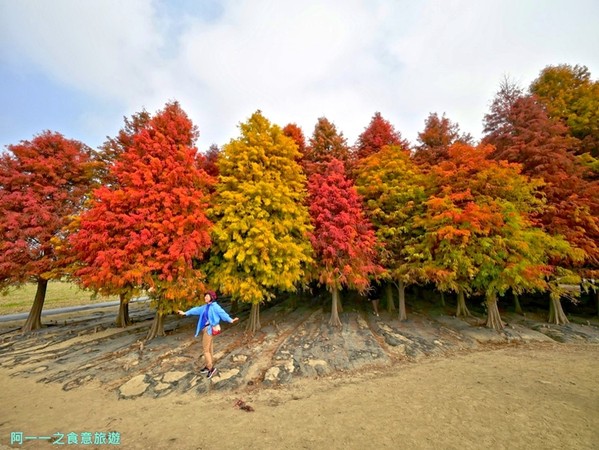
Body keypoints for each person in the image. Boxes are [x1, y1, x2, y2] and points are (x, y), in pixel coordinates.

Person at [176, 291, 239, 379]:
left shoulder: (215, 307)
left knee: (206, 350)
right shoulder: (205, 307)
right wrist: (185, 313)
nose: (205, 297)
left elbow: (222, 313)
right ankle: (207, 366)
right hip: (206, 330)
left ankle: (211, 369)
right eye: (205, 296)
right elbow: (196, 310)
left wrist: (230, 320)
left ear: (212, 297)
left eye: (207, 296)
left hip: (209, 330)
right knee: (209, 348)